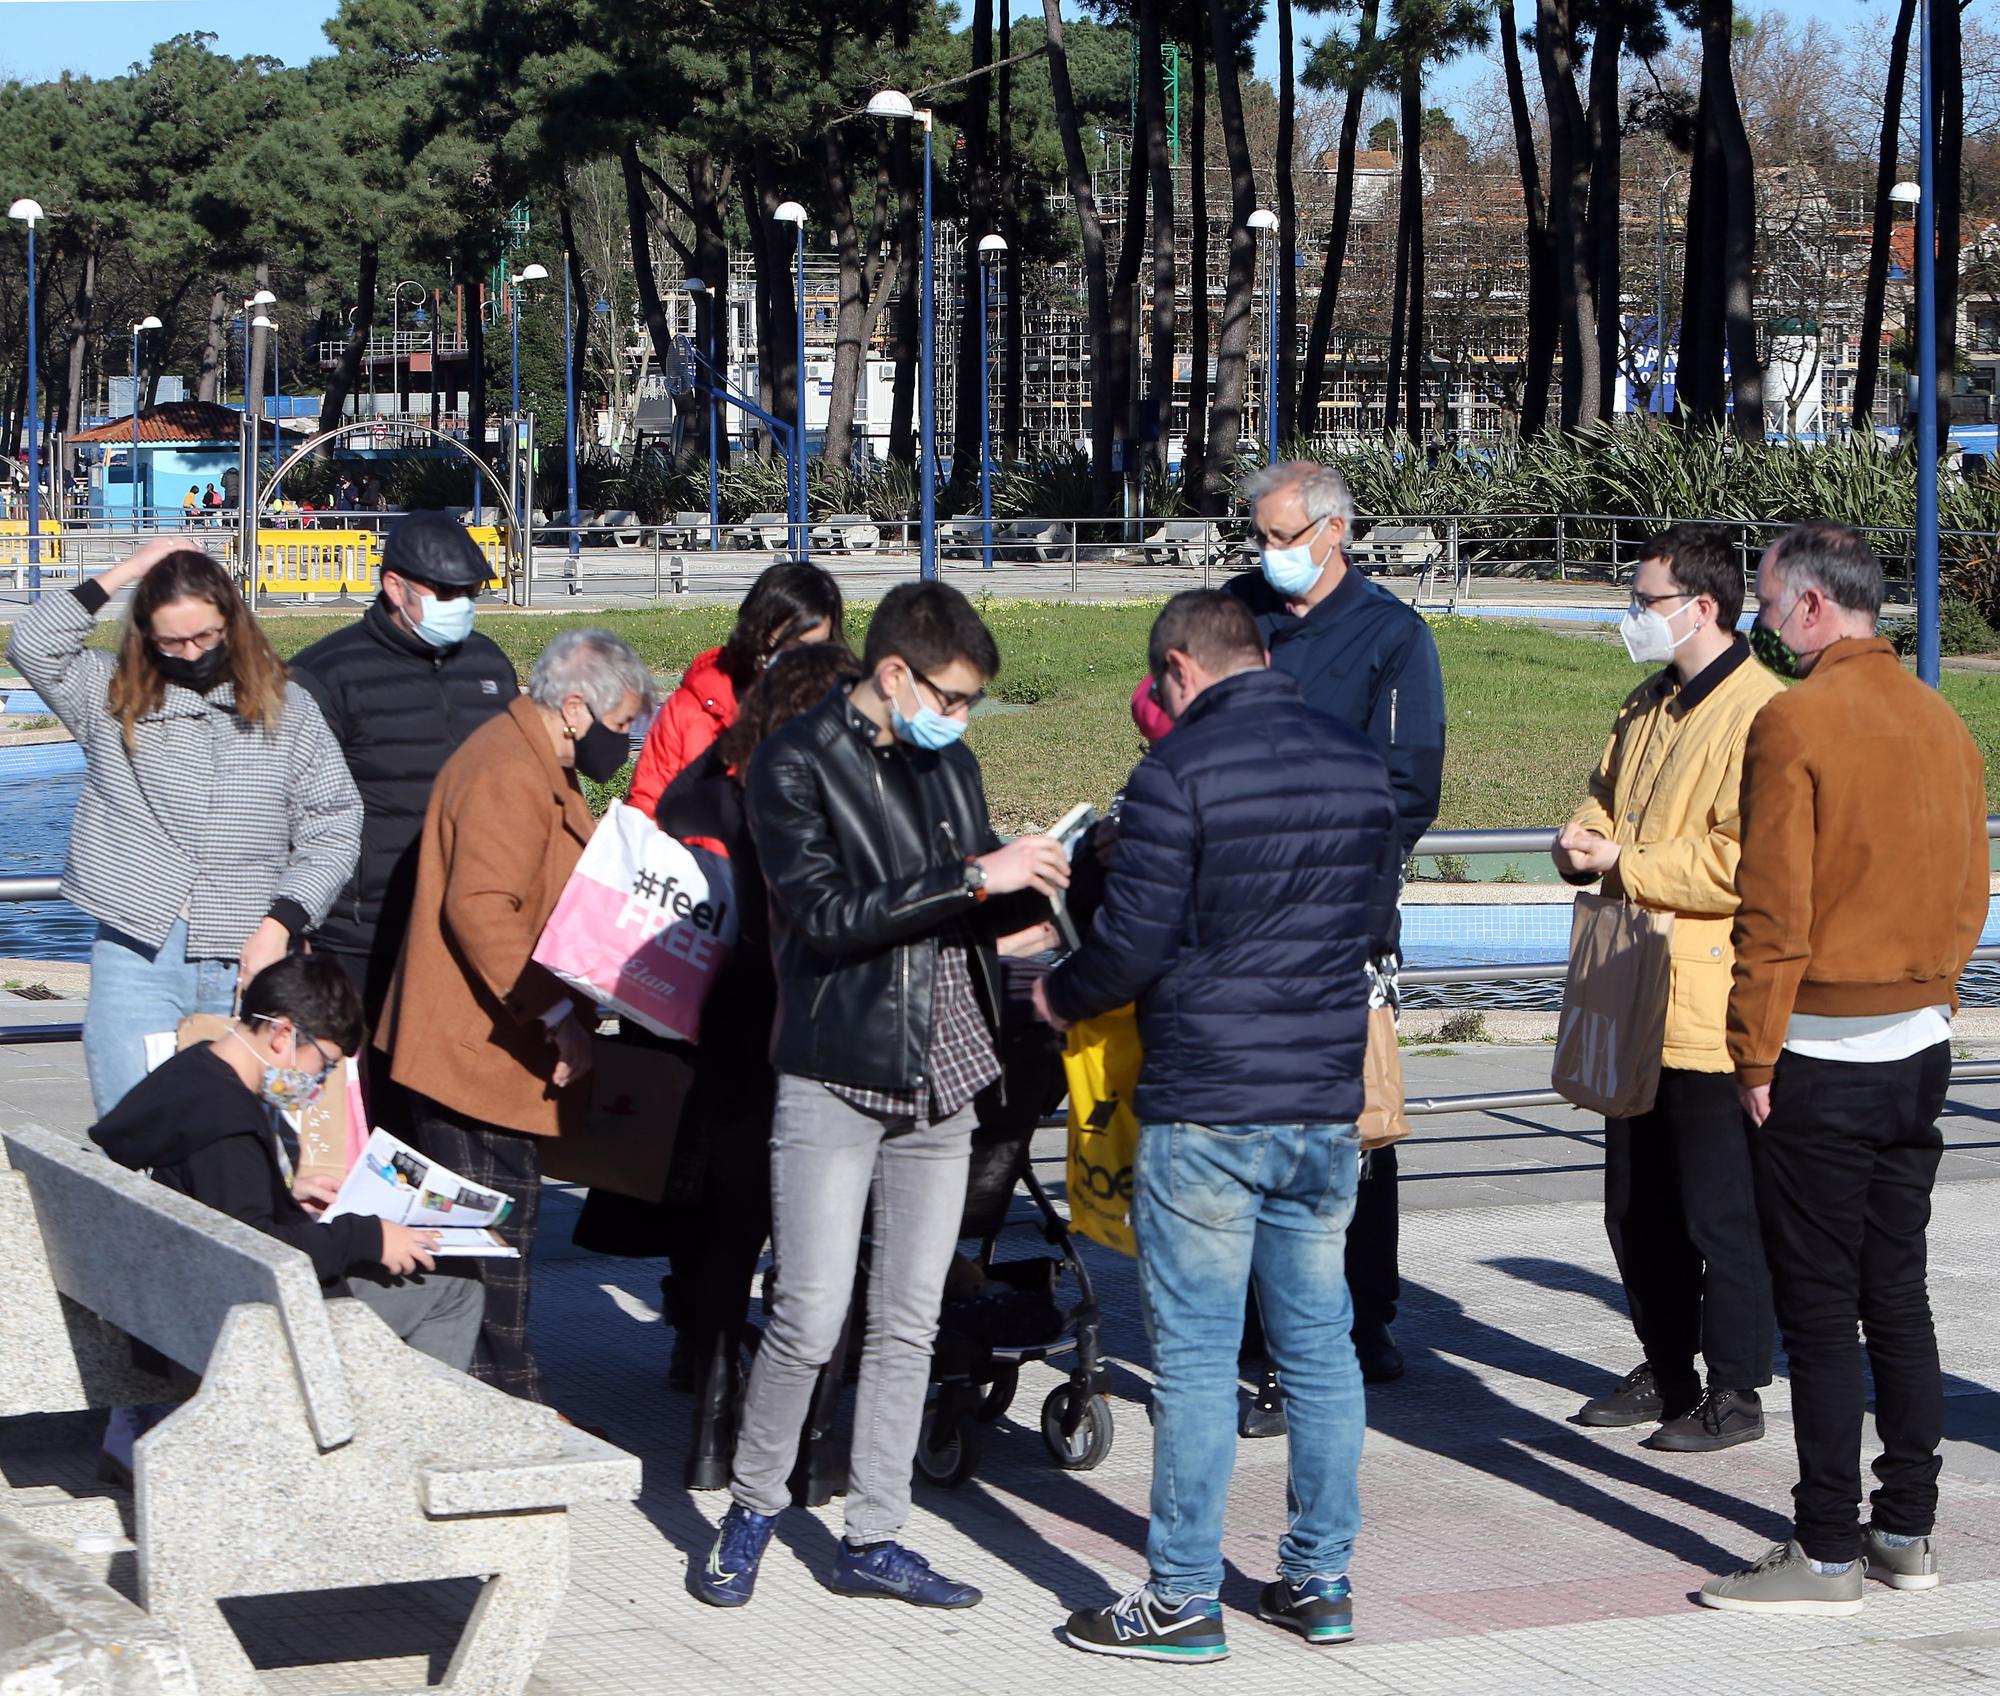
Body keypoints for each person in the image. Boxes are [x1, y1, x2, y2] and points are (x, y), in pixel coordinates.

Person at [1031, 591, 1397, 1662]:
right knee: (1319, 1347)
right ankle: (1318, 1580)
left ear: (1179, 670)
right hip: (1320, 1102)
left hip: (1204, 1104)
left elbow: (1129, 944)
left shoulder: (1173, 774)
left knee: (1193, 1359)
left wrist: (1056, 994)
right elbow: (1372, 922)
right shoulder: (1353, 764)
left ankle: (1182, 1598)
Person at [692, 581, 1068, 1611]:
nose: (959, 716)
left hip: (943, 1065)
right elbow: (824, 915)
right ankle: (752, 1507)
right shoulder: (791, 761)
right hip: (834, 1064)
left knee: (908, 1317)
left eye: (971, 704)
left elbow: (963, 901)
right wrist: (976, 880)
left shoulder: (950, 760)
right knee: (809, 1314)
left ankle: (875, 1534)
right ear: (893, 672)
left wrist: (1030, 888)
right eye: (950, 695)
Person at [1700, 524, 1989, 1615]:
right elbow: (1971, 885)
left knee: (1817, 1314)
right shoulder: (1940, 721)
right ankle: (1903, 1529)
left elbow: (1772, 907)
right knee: (1894, 1293)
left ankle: (1823, 1548)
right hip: (1916, 1044)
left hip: (1816, 1050)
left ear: (1815, 607)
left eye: (1769, 603)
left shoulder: (1794, 718)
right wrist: (1936, 990)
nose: (1762, 621)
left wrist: (1752, 1048)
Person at [573, 642, 864, 1487]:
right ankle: (809, 1449)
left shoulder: (707, 783)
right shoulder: (817, 792)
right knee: (819, 1245)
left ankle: (707, 1432)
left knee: (728, 1232)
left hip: (723, 1024)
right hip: (812, 1030)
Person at [374, 628, 658, 1402]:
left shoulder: (534, 759)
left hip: (486, 1053)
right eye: (623, 722)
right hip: (474, 1056)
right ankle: (508, 1407)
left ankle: (503, 1398)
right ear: (576, 708)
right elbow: (482, 911)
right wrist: (561, 1013)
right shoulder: (508, 771)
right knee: (491, 1244)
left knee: (495, 1238)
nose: (626, 741)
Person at [1554, 525, 1783, 1452]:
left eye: (1644, 601)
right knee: (1634, 1205)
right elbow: (1603, 797)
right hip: (1628, 986)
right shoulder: (1646, 703)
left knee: (1717, 1211)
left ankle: (1735, 1389)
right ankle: (1668, 1362)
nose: (1632, 616)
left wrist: (1628, 861)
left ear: (1704, 607)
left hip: (1707, 1000)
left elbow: (1744, 860)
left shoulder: (1763, 712)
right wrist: (1579, 840)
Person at [6, 539, 361, 1116]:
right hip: (140, 948)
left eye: (206, 637)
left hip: (255, 953)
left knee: (248, 1141)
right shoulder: (110, 694)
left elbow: (335, 823)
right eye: (171, 641)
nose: (191, 652)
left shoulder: (289, 708)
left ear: (233, 624)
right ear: (145, 635)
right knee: (136, 1123)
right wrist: (132, 568)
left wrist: (283, 920)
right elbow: (35, 644)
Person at [1226, 460, 1445, 1390]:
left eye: (1282, 538)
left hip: (1343, 916)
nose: (1267, 555)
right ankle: (1253, 1318)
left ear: (1334, 533)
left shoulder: (1393, 635)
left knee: (1356, 1123)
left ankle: (1367, 1313)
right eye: (1259, 538)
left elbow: (1409, 789)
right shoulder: (1235, 613)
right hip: (1236, 917)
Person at [90, 954, 481, 1373]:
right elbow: (259, 1250)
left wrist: (281, 1191)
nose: (322, 1079)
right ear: (282, 1034)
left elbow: (207, 1183)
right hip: (224, 1325)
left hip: (170, 1295)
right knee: (458, 1288)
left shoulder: (195, 1069)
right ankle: (412, 1429)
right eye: (325, 1064)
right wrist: (366, 1237)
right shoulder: (226, 1120)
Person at [289, 511, 519, 1028]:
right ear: (395, 587)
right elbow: (289, 812)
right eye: (446, 591)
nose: (461, 604)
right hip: (360, 936)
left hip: (465, 927)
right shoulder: (324, 674)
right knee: (362, 1103)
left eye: (471, 592)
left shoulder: (488, 664)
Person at [626, 561, 843, 819]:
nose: (802, 661)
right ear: (758, 633)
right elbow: (645, 808)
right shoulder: (691, 709)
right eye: (791, 645)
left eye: (817, 648)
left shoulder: (837, 712)